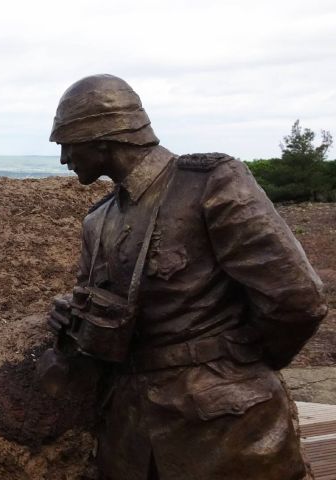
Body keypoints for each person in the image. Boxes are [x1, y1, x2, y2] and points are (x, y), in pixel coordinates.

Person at [46, 74, 328, 479]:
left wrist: (239, 364)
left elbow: (298, 298)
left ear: (102, 137)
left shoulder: (210, 183)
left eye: (66, 144)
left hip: (227, 430)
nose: (63, 160)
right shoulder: (99, 219)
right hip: (132, 435)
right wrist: (73, 318)